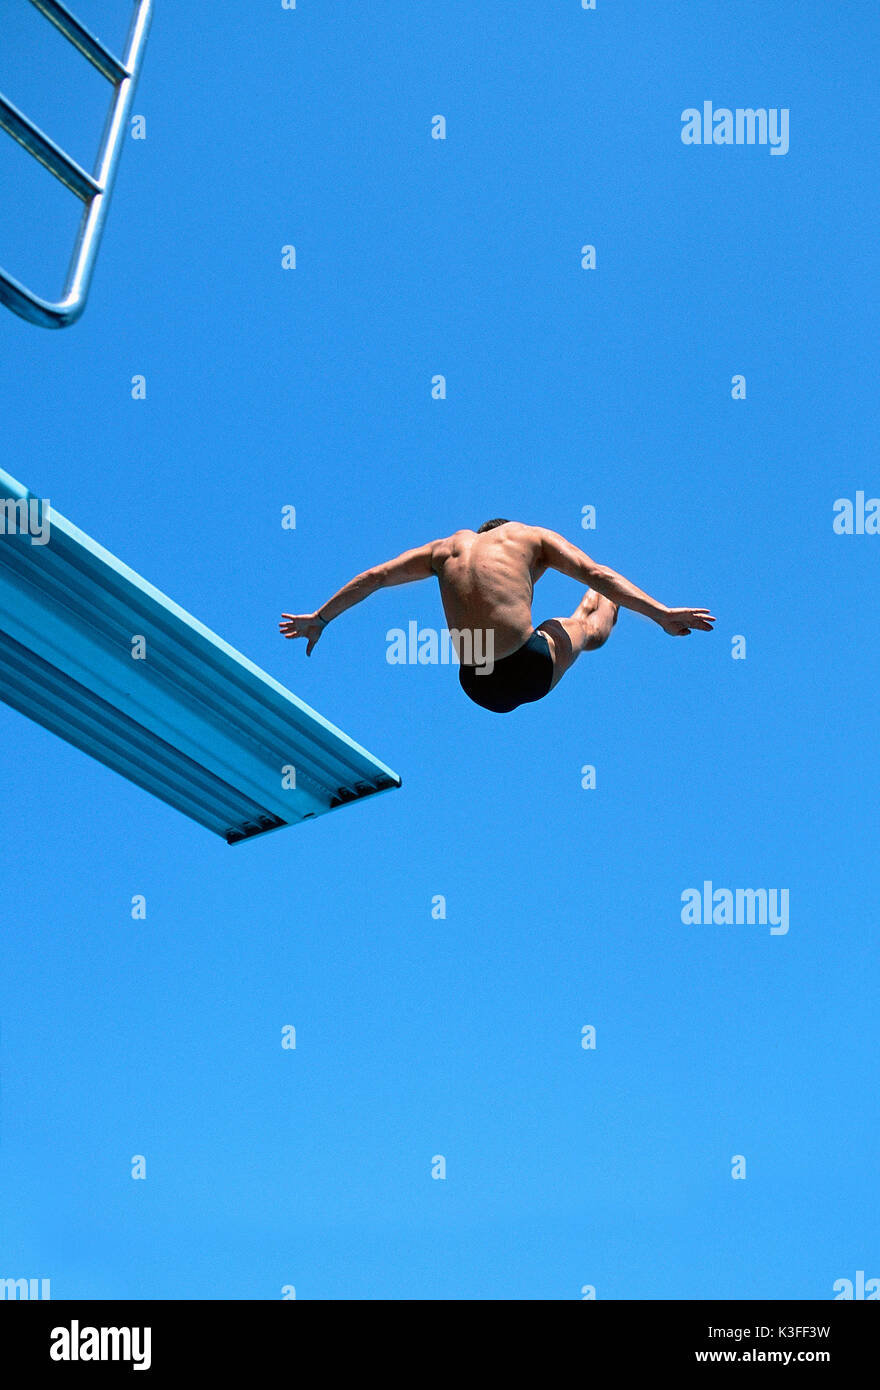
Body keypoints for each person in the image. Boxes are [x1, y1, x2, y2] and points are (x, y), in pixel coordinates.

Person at [279, 520, 715, 714]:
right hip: (526, 666)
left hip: (474, 682)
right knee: (586, 625)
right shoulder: (529, 536)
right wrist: (660, 614)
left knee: (550, 627)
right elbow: (596, 571)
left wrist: (321, 617)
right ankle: (609, 605)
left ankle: (598, 605)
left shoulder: (443, 550)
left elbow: (375, 576)